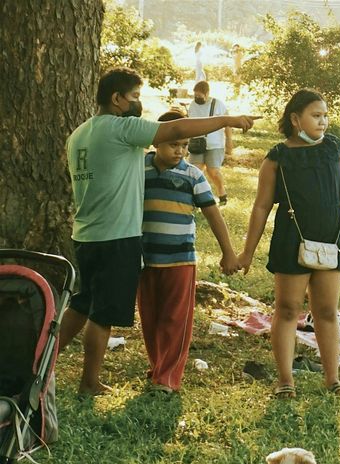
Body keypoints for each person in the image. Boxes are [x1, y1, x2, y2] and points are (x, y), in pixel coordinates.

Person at [59, 67, 258, 396]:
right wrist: (228, 120)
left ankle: (41, 366)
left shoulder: (79, 134)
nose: (138, 103)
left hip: (85, 234)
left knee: (82, 303)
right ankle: (89, 383)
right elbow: (175, 128)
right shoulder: (120, 128)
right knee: (102, 313)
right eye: (135, 96)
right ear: (117, 99)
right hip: (116, 237)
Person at [238, 89, 340, 398]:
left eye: (325, 115)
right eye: (316, 115)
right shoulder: (277, 158)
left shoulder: (334, 149)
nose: (323, 121)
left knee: (326, 311)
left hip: (330, 238)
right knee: (287, 309)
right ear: (296, 119)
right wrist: (247, 252)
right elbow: (261, 207)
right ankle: (286, 380)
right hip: (291, 240)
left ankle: (333, 378)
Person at [138, 110, 240, 394]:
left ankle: (167, 377)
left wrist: (228, 252)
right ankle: (158, 365)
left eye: (184, 145)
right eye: (174, 144)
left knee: (175, 319)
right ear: (156, 141)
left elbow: (212, 214)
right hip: (145, 259)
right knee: (150, 317)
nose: (180, 151)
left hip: (180, 259)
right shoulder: (138, 168)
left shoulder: (193, 175)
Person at [187, 81, 232, 205]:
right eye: (195, 95)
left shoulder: (218, 104)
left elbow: (228, 123)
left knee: (213, 172)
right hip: (197, 143)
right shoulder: (193, 105)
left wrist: (229, 141)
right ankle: (194, 198)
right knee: (195, 171)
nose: (197, 98)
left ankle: (222, 194)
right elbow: (189, 124)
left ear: (207, 93)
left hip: (215, 144)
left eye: (199, 96)